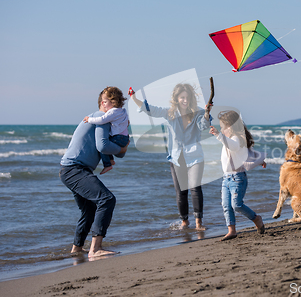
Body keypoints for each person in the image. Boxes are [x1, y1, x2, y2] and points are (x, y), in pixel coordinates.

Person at [129, 83, 211, 230]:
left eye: (187, 97)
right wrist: (135, 99)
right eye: (182, 98)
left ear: (191, 98)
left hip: (195, 156)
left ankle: (199, 222)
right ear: (177, 98)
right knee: (181, 192)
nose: (185, 100)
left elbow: (203, 126)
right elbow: (151, 110)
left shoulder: (198, 111)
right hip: (177, 157)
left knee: (195, 188)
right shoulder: (170, 113)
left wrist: (206, 113)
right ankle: (184, 222)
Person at [59, 90, 129, 258]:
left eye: (118, 102)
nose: (115, 107)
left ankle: (77, 248)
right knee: (107, 199)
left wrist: (119, 150)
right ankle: (95, 248)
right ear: (103, 103)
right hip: (74, 169)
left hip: (70, 170)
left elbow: (111, 150)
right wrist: (121, 149)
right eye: (111, 102)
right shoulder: (101, 118)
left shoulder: (98, 118)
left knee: (89, 210)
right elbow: (103, 146)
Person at [209, 110, 266, 241]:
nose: (222, 130)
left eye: (224, 127)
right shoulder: (229, 140)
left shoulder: (236, 140)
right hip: (226, 178)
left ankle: (256, 218)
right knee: (226, 205)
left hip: (238, 178)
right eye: (221, 127)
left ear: (233, 126)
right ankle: (232, 230)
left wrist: (218, 134)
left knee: (237, 205)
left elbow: (235, 147)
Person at [84, 86, 129, 175]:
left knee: (102, 145)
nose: (103, 104)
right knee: (106, 143)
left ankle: (107, 164)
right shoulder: (123, 111)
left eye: (105, 102)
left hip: (118, 137)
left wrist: (89, 119)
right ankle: (111, 159)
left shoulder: (113, 112)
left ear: (113, 101)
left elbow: (102, 120)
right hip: (125, 138)